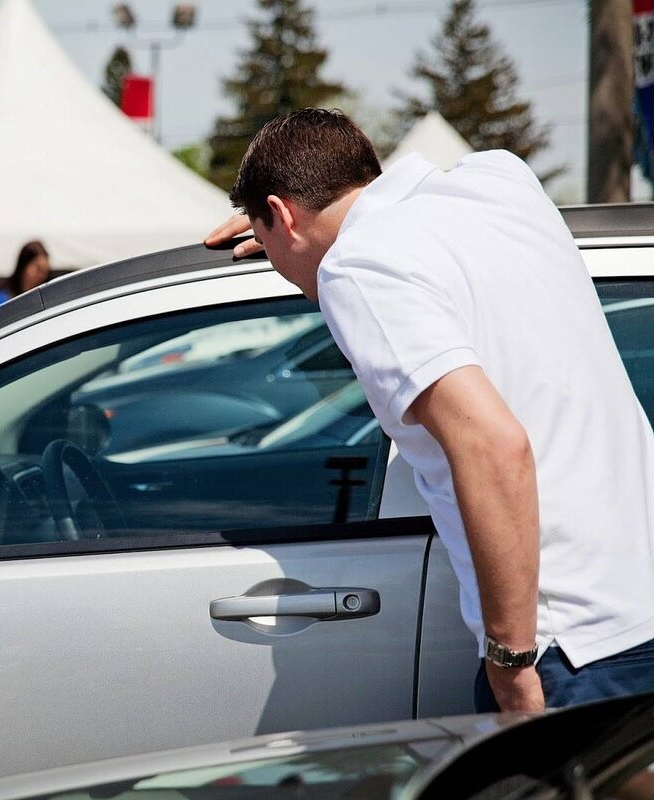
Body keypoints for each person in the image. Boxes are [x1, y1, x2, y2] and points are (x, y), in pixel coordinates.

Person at [204, 108, 654, 714]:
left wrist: (511, 663)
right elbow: (398, 210)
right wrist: (288, 225)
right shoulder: (500, 181)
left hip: (568, 647)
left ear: (281, 214)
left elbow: (494, 446)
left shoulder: (357, 269)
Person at [0, 240, 51, 310]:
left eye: (45, 271)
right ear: (24, 266)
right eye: (38, 269)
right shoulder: (2, 299)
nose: (42, 275)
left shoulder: (47, 298)